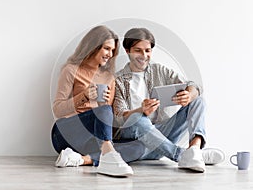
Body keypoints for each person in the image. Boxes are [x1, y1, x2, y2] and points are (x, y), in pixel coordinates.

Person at [113, 28, 225, 173]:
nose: (144, 55)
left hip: (161, 136)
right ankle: (182, 155)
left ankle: (195, 150)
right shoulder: (118, 80)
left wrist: (189, 95)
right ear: (127, 50)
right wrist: (141, 110)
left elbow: (194, 86)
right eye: (138, 50)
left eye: (148, 50)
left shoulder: (159, 70)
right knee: (137, 118)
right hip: (135, 141)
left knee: (198, 101)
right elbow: (119, 117)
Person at [50, 25, 144, 177]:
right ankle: (109, 158)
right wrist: (84, 97)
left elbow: (108, 119)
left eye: (112, 50)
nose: (110, 54)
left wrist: (103, 106)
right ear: (93, 46)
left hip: (93, 139)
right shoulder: (71, 70)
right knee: (104, 111)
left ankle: (82, 159)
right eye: (106, 48)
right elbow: (58, 109)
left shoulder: (109, 78)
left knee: (139, 147)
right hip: (66, 133)